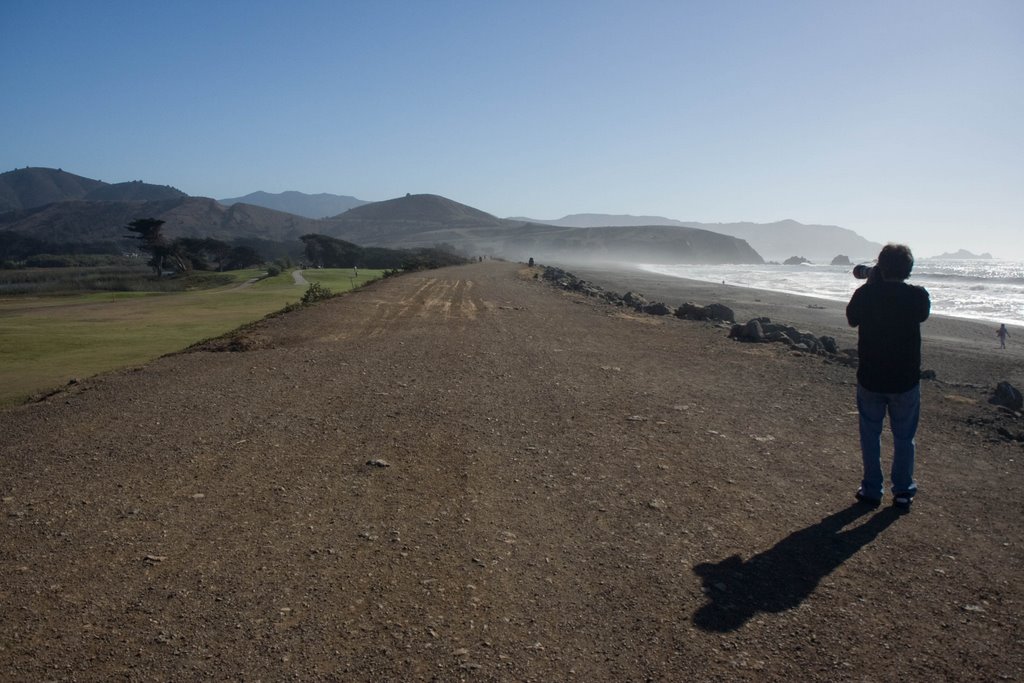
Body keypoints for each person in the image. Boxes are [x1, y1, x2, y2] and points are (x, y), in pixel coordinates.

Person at [846, 244, 930, 511]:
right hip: (905, 380)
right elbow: (922, 314)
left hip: (871, 377)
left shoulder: (866, 294)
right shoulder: (917, 296)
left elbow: (852, 319)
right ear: (908, 269)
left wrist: (872, 285)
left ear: (880, 266)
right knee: (904, 437)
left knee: (870, 435)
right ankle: (903, 491)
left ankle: (872, 490)